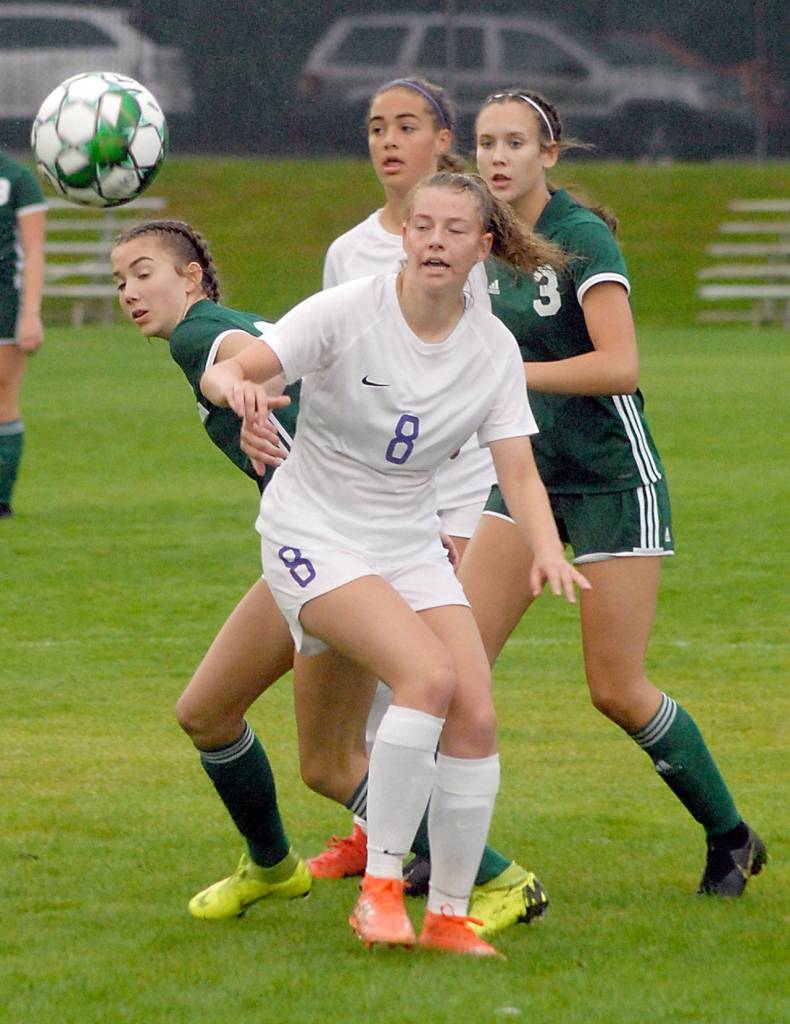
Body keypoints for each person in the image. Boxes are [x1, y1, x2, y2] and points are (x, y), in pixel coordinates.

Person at [110, 219, 541, 939]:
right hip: (323, 541)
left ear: (191, 279)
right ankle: (272, 867)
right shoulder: (232, 327)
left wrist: (236, 395)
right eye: (118, 280)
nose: (129, 291)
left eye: (143, 271)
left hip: (335, 549)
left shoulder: (200, 332)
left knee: (335, 759)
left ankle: (500, 879)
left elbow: (235, 362)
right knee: (214, 715)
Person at [201, 171, 590, 957]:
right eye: (423, 227)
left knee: (474, 712)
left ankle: (448, 916)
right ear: (405, 237)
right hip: (312, 532)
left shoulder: (491, 349)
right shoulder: (352, 310)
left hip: (407, 543)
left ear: (484, 247)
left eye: (454, 230)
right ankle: (380, 892)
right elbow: (233, 368)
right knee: (428, 679)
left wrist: (546, 547)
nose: (435, 242)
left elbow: (516, 470)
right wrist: (234, 394)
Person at [448, 89, 765, 898]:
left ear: (549, 155)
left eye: (515, 142)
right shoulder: (479, 242)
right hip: (525, 481)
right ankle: (443, 853)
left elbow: (620, 364)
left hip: (612, 481)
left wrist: (506, 376)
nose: (498, 156)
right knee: (450, 672)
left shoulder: (580, 239)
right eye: (486, 142)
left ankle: (730, 837)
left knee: (615, 688)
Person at [311, 76, 549, 935]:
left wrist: (455, 521)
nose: (388, 141)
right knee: (388, 683)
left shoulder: (464, 261)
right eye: (375, 126)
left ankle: (432, 875)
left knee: (425, 684)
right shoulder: (348, 255)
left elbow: (463, 398)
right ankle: (378, 835)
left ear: (442, 139)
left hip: (431, 507)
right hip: (339, 510)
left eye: (407, 125)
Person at [0, 152, 46, 519]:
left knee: (3, 394)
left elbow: (33, 250)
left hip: (5, 304)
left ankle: (1, 501)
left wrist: (30, 314)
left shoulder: (16, 178)